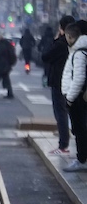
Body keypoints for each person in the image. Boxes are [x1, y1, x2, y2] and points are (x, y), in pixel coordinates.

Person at [42, 15, 75, 155]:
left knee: (60, 112)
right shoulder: (75, 43)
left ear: (61, 29)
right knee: (72, 113)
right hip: (72, 82)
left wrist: (56, 39)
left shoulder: (60, 43)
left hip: (59, 82)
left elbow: (45, 56)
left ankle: (63, 145)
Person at [60, 20, 87, 172]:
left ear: (71, 37)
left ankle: (82, 159)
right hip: (79, 96)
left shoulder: (79, 53)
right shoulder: (80, 50)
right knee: (80, 128)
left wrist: (69, 99)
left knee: (79, 129)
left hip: (77, 98)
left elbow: (78, 78)